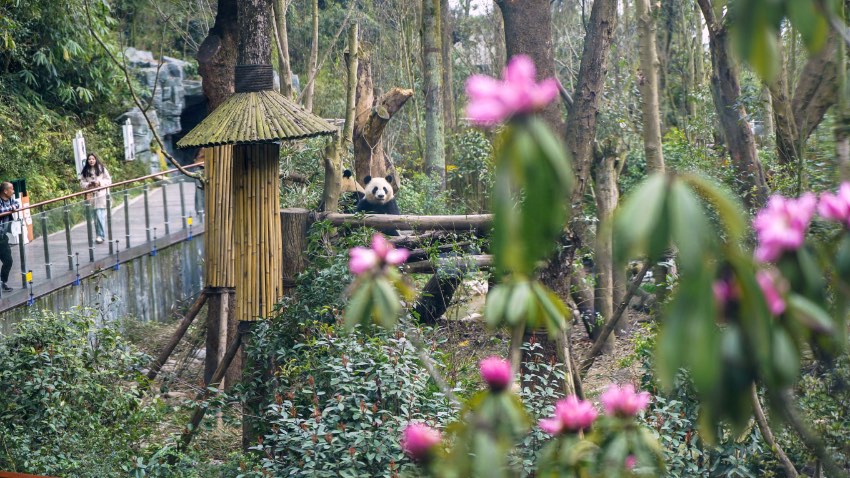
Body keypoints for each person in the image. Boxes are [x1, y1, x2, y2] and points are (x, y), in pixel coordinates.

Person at [79, 153, 112, 244]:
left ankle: (100, 236)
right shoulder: (85, 171)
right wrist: (88, 184)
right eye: (89, 159)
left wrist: (99, 183)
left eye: (93, 159)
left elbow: (109, 180)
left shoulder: (102, 169)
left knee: (99, 215)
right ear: (87, 161)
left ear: (96, 159)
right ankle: (99, 235)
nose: (91, 160)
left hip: (101, 195)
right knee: (96, 217)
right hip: (91, 196)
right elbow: (81, 183)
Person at [0, 182, 18, 291]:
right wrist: (11, 208)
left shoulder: (10, 199)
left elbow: (17, 204)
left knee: (8, 261)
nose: (13, 191)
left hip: (2, 237)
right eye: (11, 189)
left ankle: (3, 282)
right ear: (5, 191)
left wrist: (10, 207)